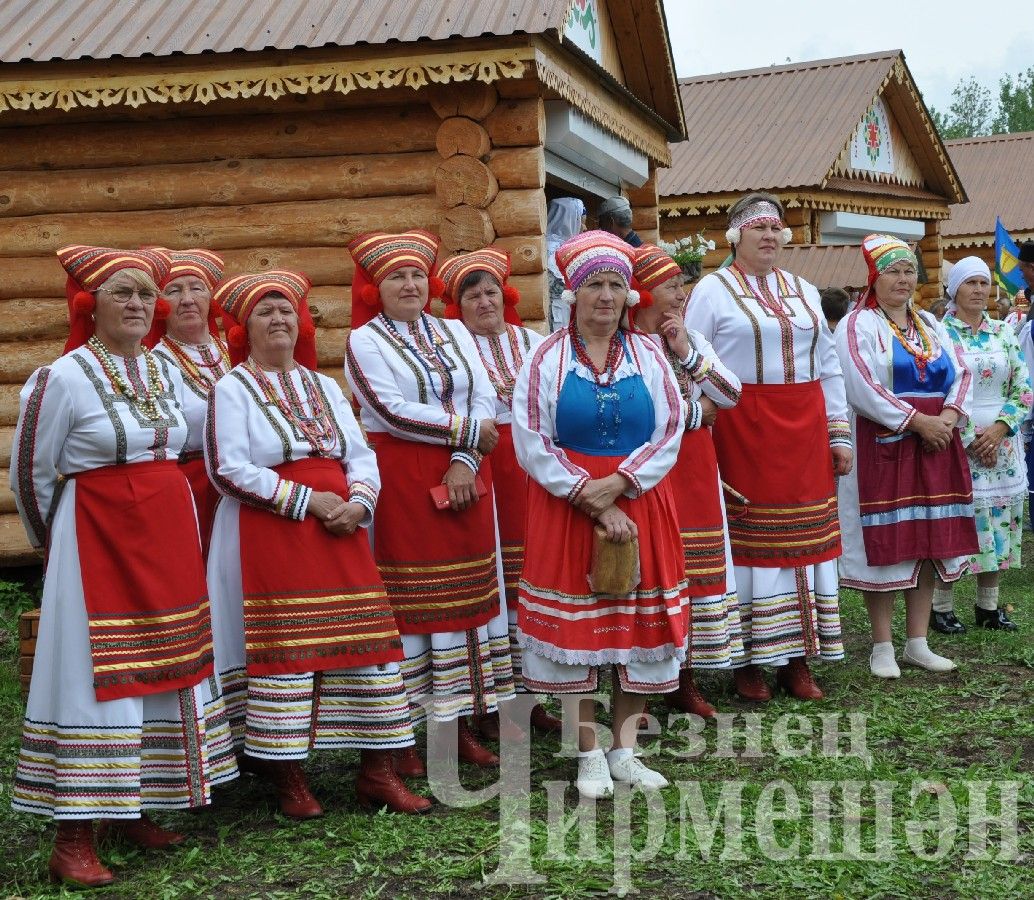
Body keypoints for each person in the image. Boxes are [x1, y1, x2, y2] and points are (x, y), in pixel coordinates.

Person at [9, 245, 237, 888]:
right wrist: (58, 545)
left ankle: (137, 804)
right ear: (91, 306)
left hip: (166, 535)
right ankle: (74, 834)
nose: (138, 305)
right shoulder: (64, 378)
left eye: (145, 295)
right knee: (97, 670)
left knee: (169, 661)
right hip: (98, 540)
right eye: (122, 294)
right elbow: (31, 473)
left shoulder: (164, 373)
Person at [206, 270, 430, 816]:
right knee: (287, 650)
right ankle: (289, 778)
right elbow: (227, 468)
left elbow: (360, 454)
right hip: (273, 534)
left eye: (287, 311)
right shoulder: (231, 389)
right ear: (245, 330)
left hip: (341, 534)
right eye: (266, 313)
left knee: (369, 641)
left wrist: (359, 501)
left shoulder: (325, 386)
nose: (280, 321)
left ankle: (377, 771)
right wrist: (308, 501)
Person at [512, 230, 688, 800]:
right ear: (572, 294)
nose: (606, 297)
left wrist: (620, 484)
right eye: (594, 286)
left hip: (640, 499)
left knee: (641, 631)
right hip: (568, 507)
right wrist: (586, 493)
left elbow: (670, 428)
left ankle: (625, 750)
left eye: (616, 285)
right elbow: (531, 437)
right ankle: (587, 753)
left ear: (629, 295)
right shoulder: (546, 357)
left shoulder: (650, 354)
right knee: (577, 634)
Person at [345, 229, 514, 772]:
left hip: (464, 468)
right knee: (416, 605)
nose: (410, 284)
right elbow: (389, 409)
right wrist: (465, 432)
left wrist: (465, 458)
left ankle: (460, 721)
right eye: (397, 276)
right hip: (405, 476)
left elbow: (485, 391)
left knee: (467, 599)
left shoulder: (451, 331)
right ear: (377, 288)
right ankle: (408, 732)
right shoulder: (364, 341)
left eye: (418, 274)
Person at [684, 193, 851, 702]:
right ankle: (749, 662)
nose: (770, 236)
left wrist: (837, 431)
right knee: (752, 545)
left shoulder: (802, 289)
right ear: (735, 234)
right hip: (743, 427)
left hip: (802, 428)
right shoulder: (712, 290)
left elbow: (827, 363)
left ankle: (797, 658)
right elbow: (692, 357)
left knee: (806, 543)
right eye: (758, 227)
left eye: (777, 228)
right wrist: (701, 420)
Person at [836, 235, 978, 678]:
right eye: (893, 271)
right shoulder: (857, 325)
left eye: (909, 271)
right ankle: (882, 645)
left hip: (937, 444)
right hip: (885, 446)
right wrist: (919, 422)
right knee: (885, 543)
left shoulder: (931, 326)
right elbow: (860, 385)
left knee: (929, 539)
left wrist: (950, 417)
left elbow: (963, 370)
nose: (902, 279)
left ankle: (918, 641)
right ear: (874, 278)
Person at [439, 246, 562, 736]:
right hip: (486, 463)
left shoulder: (535, 342)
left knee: (530, 580)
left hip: (533, 465)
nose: (484, 301)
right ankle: (488, 704)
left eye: (491, 291)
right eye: (473, 296)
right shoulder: (452, 351)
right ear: (459, 306)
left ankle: (531, 697)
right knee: (496, 585)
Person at [629, 244, 744, 718]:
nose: (681, 294)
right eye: (672, 285)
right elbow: (644, 415)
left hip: (695, 467)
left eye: (681, 285)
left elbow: (732, 394)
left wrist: (686, 352)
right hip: (650, 464)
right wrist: (697, 413)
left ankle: (686, 679)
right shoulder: (625, 345)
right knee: (656, 569)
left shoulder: (691, 338)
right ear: (645, 292)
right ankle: (646, 677)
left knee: (695, 570)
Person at [932, 257, 1031, 632]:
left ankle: (988, 607)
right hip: (958, 439)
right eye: (970, 282)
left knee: (1001, 520)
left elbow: (1023, 385)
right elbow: (940, 388)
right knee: (960, 521)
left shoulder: (1003, 332)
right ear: (954, 289)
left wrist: (1002, 427)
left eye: (983, 282)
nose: (978, 290)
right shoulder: (941, 334)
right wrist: (972, 435)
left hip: (1002, 442)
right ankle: (941, 606)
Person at [146, 248, 230, 555]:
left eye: (197, 288)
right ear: (160, 305)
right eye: (174, 290)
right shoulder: (154, 363)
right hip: (193, 486)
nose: (187, 299)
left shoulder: (237, 352)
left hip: (248, 482)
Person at [546, 197, 587, 332]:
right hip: (556, 315)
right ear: (569, 221)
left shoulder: (567, 247)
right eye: (582, 222)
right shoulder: (551, 250)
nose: (584, 228)